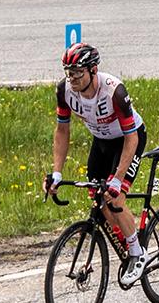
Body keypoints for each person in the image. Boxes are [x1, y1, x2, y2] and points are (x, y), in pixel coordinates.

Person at [42, 42, 153, 284]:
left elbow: (131, 137)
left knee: (115, 197)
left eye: (77, 73)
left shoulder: (114, 92)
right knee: (97, 196)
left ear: (93, 70)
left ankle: (137, 253)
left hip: (128, 140)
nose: (71, 79)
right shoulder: (64, 91)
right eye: (68, 73)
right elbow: (62, 130)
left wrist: (117, 178)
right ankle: (127, 235)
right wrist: (57, 172)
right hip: (101, 141)